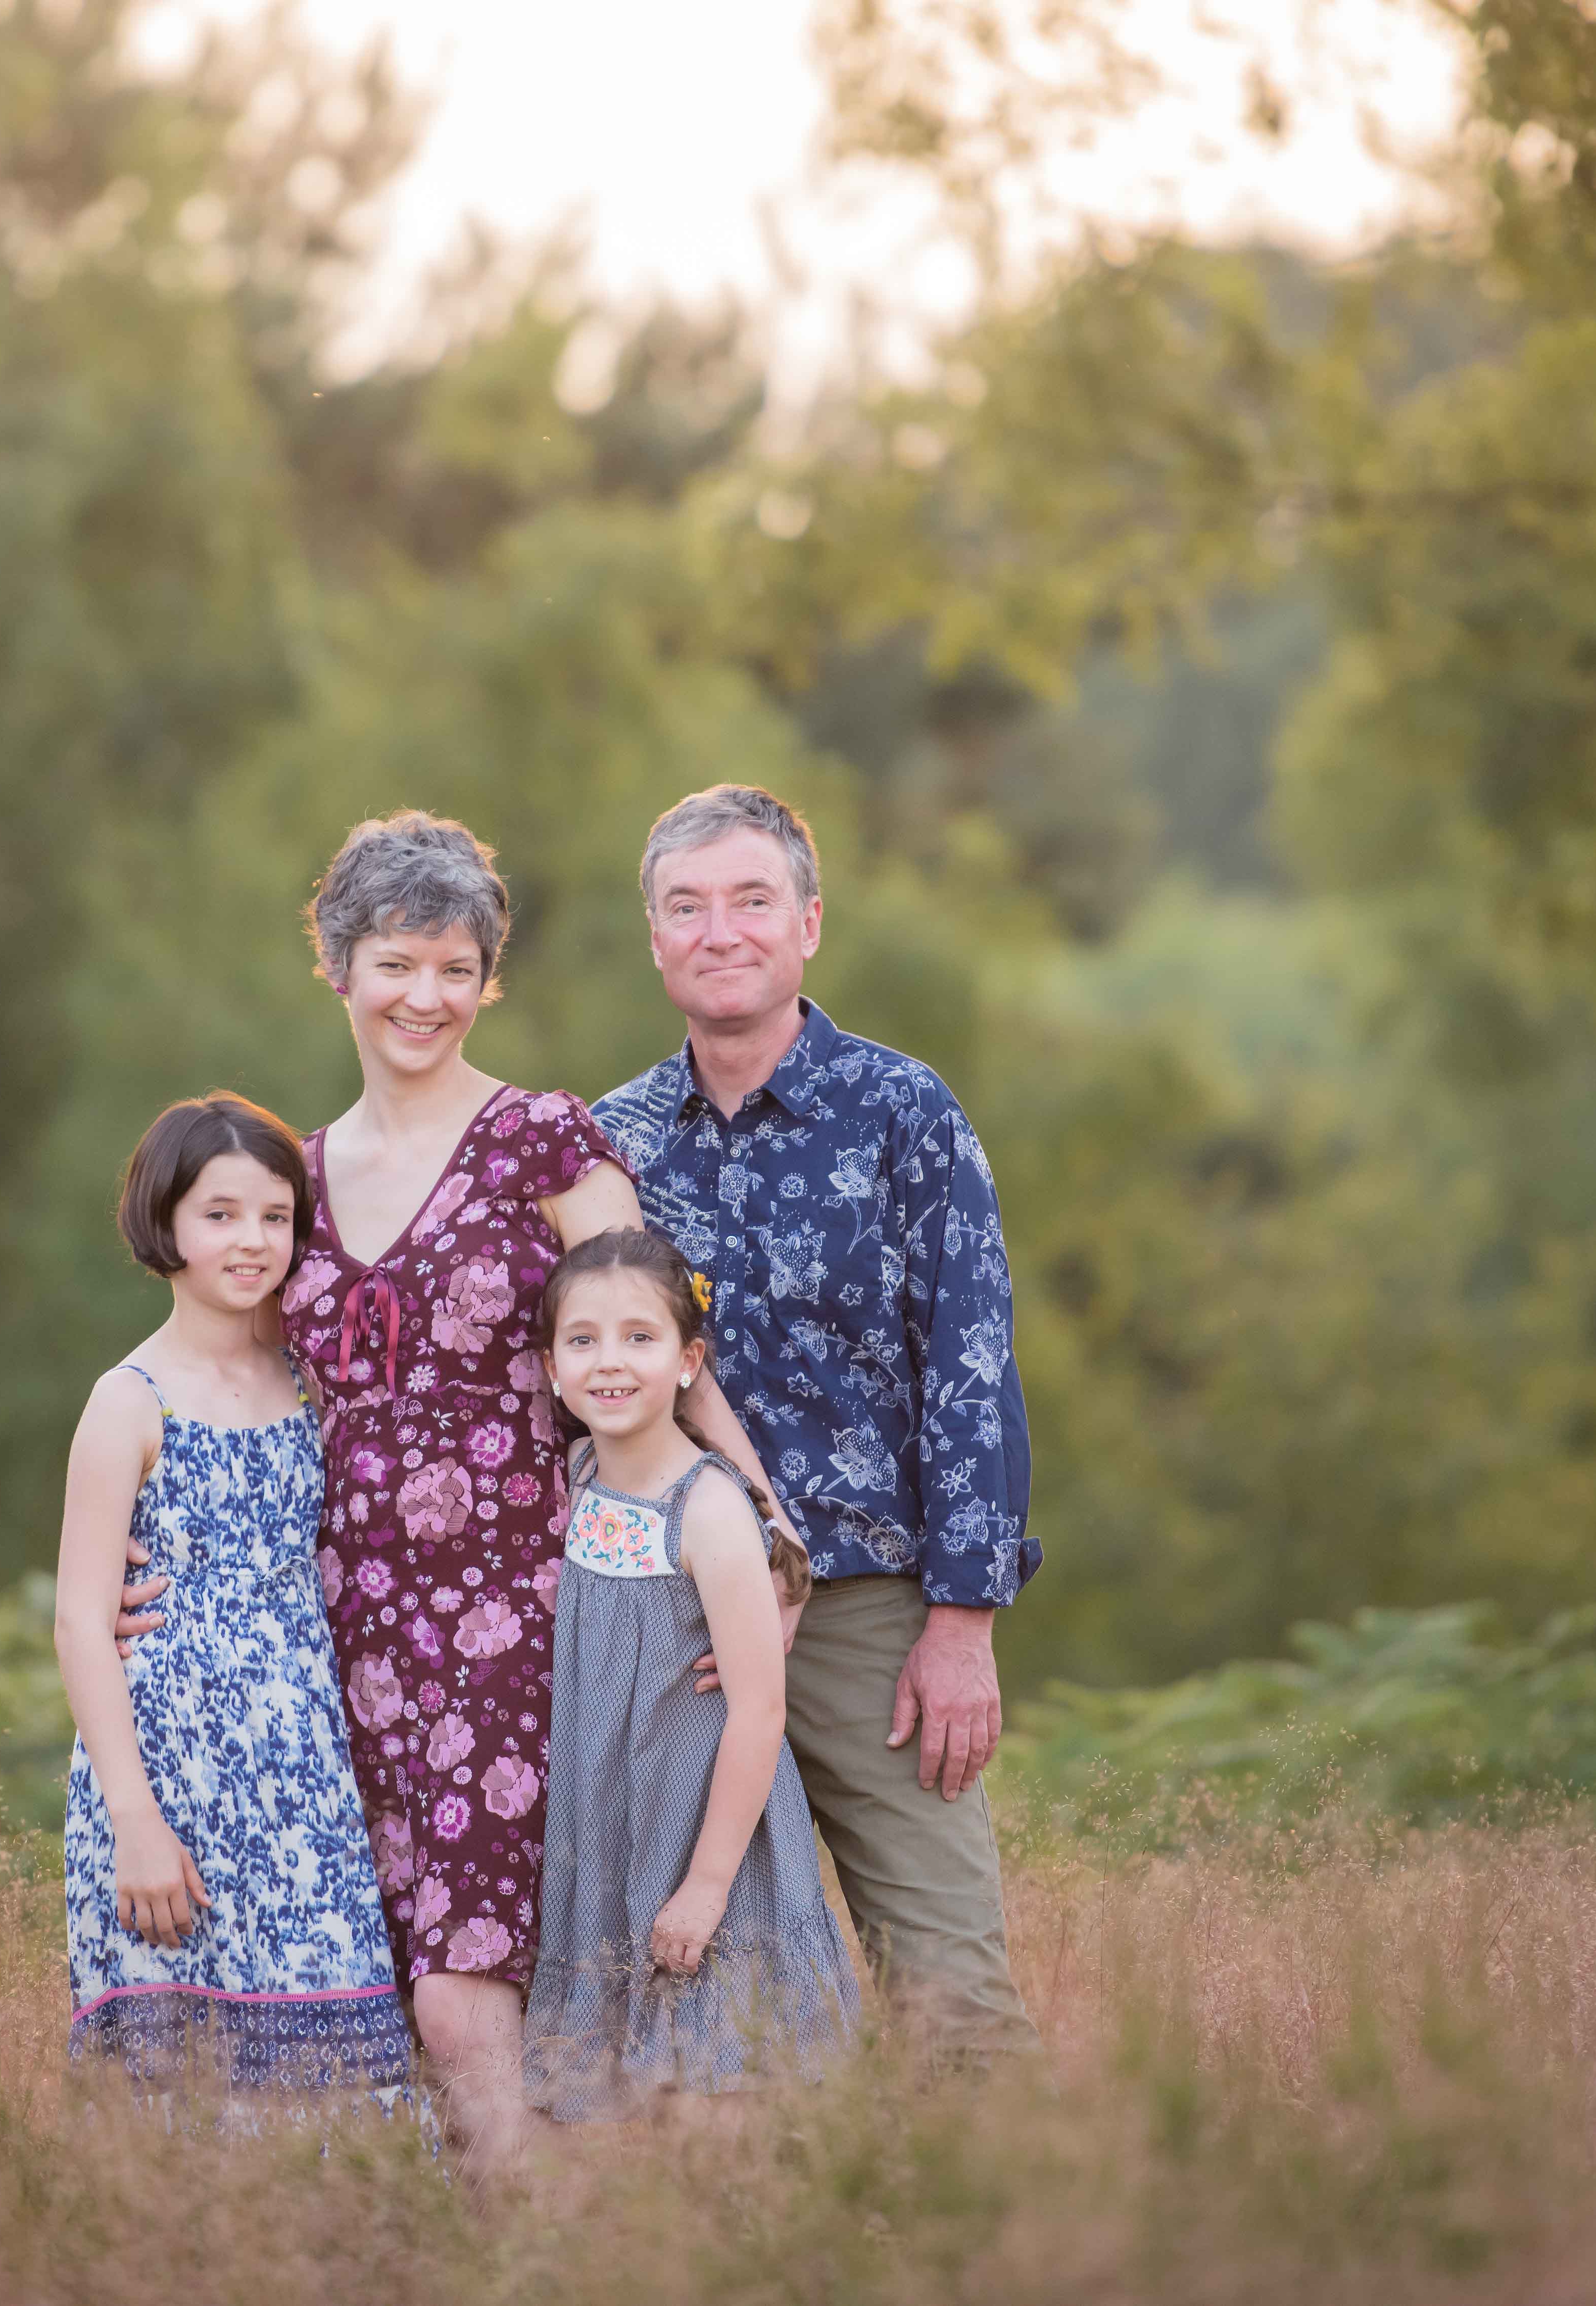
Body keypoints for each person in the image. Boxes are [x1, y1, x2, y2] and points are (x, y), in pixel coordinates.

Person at [256, 810, 799, 2177]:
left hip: (513, 1608)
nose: (424, 996)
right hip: (345, 1630)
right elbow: (237, 1389)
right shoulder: (296, 1182)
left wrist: (747, 1506)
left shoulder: (540, 1140)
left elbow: (654, 1327)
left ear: (488, 978)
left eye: (455, 967)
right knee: (391, 1984)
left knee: (463, 1983)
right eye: (395, 963)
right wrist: (155, 1560)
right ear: (336, 966)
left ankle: (528, 2249)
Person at [590, 785, 1045, 2062]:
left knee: (952, 1987)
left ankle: (1020, 2237)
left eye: (750, 900)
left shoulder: (903, 1112)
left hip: (864, 1614)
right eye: (687, 905)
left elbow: (971, 1370)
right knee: (678, 1983)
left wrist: (962, 1621)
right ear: (654, 936)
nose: (719, 929)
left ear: (809, 923)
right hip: (668, 1614)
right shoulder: (608, 1144)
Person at [50, 1093, 415, 2110]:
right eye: (219, 1214)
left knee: (340, 2058)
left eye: (274, 1214)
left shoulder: (305, 1376)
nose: (251, 1239)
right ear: (163, 1220)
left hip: (303, 1773)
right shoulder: (129, 1398)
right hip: (168, 1772)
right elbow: (81, 1618)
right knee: (181, 2081)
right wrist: (135, 1820)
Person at [522, 1226, 859, 2124]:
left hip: (708, 1838)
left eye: (640, 1337)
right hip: (611, 1828)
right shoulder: (582, 1473)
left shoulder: (706, 1508)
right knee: (622, 2113)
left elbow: (758, 1711)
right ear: (551, 1368)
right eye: (581, 1340)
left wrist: (707, 1884)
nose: (609, 1363)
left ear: (687, 1360)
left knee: (725, 2101)